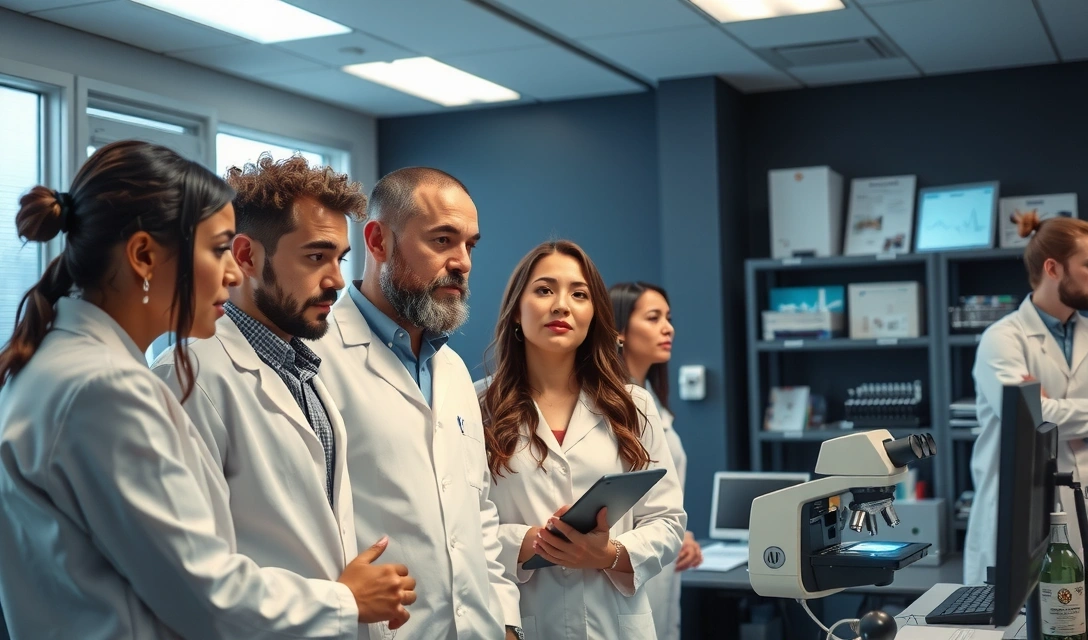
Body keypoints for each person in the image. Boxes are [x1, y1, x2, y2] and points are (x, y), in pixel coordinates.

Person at [0, 140, 408, 639]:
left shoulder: (59, 364)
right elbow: (206, 595)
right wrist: (344, 600)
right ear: (144, 256)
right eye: (218, 250)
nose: (233, 272)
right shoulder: (103, 388)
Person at [151, 154, 415, 635]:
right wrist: (341, 600)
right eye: (316, 257)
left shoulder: (306, 373)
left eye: (340, 258)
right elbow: (191, 574)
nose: (336, 280)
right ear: (246, 256)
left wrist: (358, 602)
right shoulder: (190, 377)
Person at [310, 167, 522, 640]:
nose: (463, 261)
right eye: (443, 240)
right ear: (378, 241)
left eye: (470, 245)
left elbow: (478, 510)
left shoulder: (452, 371)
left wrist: (507, 621)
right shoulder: (315, 361)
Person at [479, 240, 686, 640]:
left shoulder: (634, 405)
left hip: (616, 624)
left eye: (579, 294)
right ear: (516, 312)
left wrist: (609, 554)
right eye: (544, 290)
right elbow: (464, 522)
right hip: (522, 621)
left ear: (593, 314)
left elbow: (667, 520)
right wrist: (529, 542)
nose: (562, 305)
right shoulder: (475, 406)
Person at [966, 212, 1088, 585]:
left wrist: (1049, 407)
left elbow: (1046, 412)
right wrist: (1043, 409)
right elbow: (1033, 416)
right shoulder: (1003, 339)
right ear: (1054, 268)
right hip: (1020, 510)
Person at [609, 281, 702, 640]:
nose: (668, 328)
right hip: (622, 562)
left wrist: (681, 533)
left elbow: (659, 492)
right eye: (653, 317)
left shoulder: (651, 400)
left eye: (668, 317)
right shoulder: (614, 405)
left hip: (658, 561)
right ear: (619, 331)